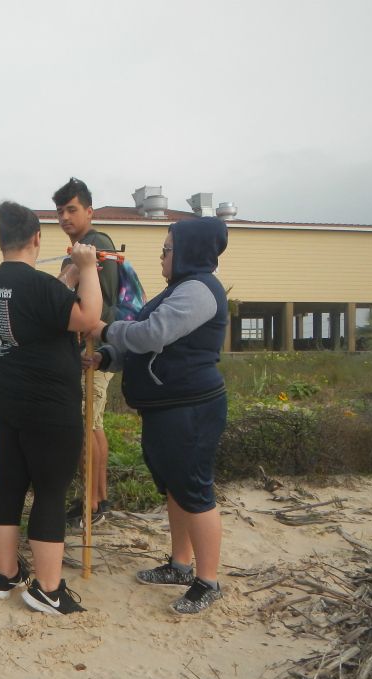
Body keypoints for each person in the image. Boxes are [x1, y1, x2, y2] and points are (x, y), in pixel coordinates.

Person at [88, 217, 229, 614]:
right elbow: (145, 343)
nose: (162, 257)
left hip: (192, 408)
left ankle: (208, 580)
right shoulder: (178, 289)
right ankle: (181, 565)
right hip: (167, 408)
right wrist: (109, 356)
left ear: (187, 252)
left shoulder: (199, 290)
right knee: (174, 487)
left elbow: (152, 334)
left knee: (196, 491)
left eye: (167, 249)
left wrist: (105, 330)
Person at [0, 201, 101, 615]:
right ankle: (48, 589)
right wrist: (85, 269)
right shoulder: (39, 286)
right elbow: (87, 318)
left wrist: (63, 281)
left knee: (9, 483)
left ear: (1, 240)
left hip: (4, 397)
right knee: (50, 490)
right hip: (47, 405)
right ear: (36, 238)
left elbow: (35, 315)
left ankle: (6, 573)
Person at [53, 178, 119, 528]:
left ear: (89, 211)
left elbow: (99, 305)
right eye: (60, 211)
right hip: (90, 350)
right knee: (93, 425)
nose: (65, 216)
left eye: (72, 209)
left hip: (94, 351)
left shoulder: (95, 246)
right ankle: (98, 498)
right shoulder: (80, 249)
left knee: (87, 425)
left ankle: (92, 504)